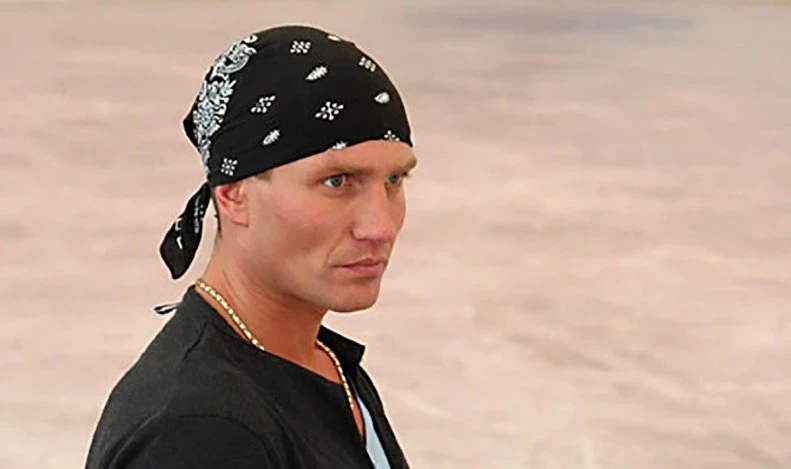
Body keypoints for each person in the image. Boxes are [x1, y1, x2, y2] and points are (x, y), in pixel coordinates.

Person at [85, 24, 417, 469]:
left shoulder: (319, 363)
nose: (379, 226)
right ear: (233, 195)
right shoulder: (202, 433)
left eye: (394, 179)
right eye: (337, 181)